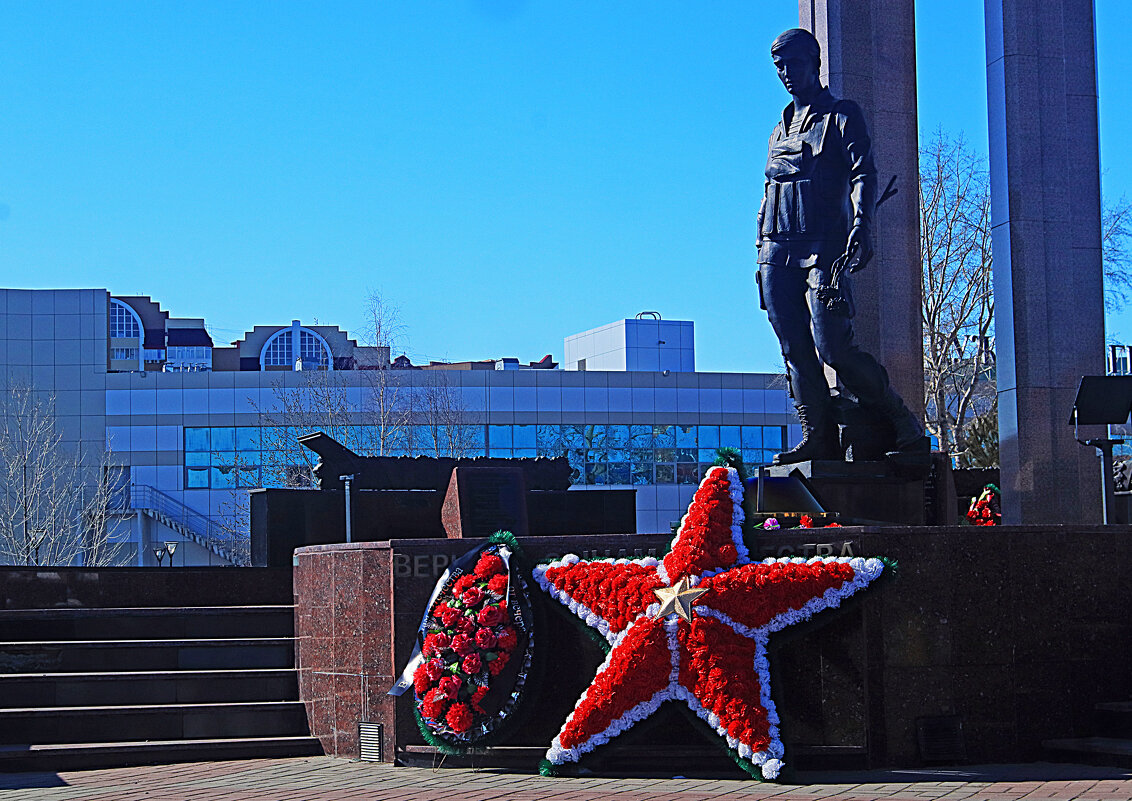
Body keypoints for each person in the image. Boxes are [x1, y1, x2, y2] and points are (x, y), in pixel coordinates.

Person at [756, 28, 924, 465]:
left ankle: (901, 419)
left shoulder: (841, 115)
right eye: (780, 68)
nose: (787, 74)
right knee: (793, 347)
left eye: (794, 64)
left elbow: (863, 172)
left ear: (815, 62)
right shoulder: (779, 129)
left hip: (825, 244)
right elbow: (767, 192)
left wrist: (862, 224)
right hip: (776, 248)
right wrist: (759, 249)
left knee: (833, 346)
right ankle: (819, 435)